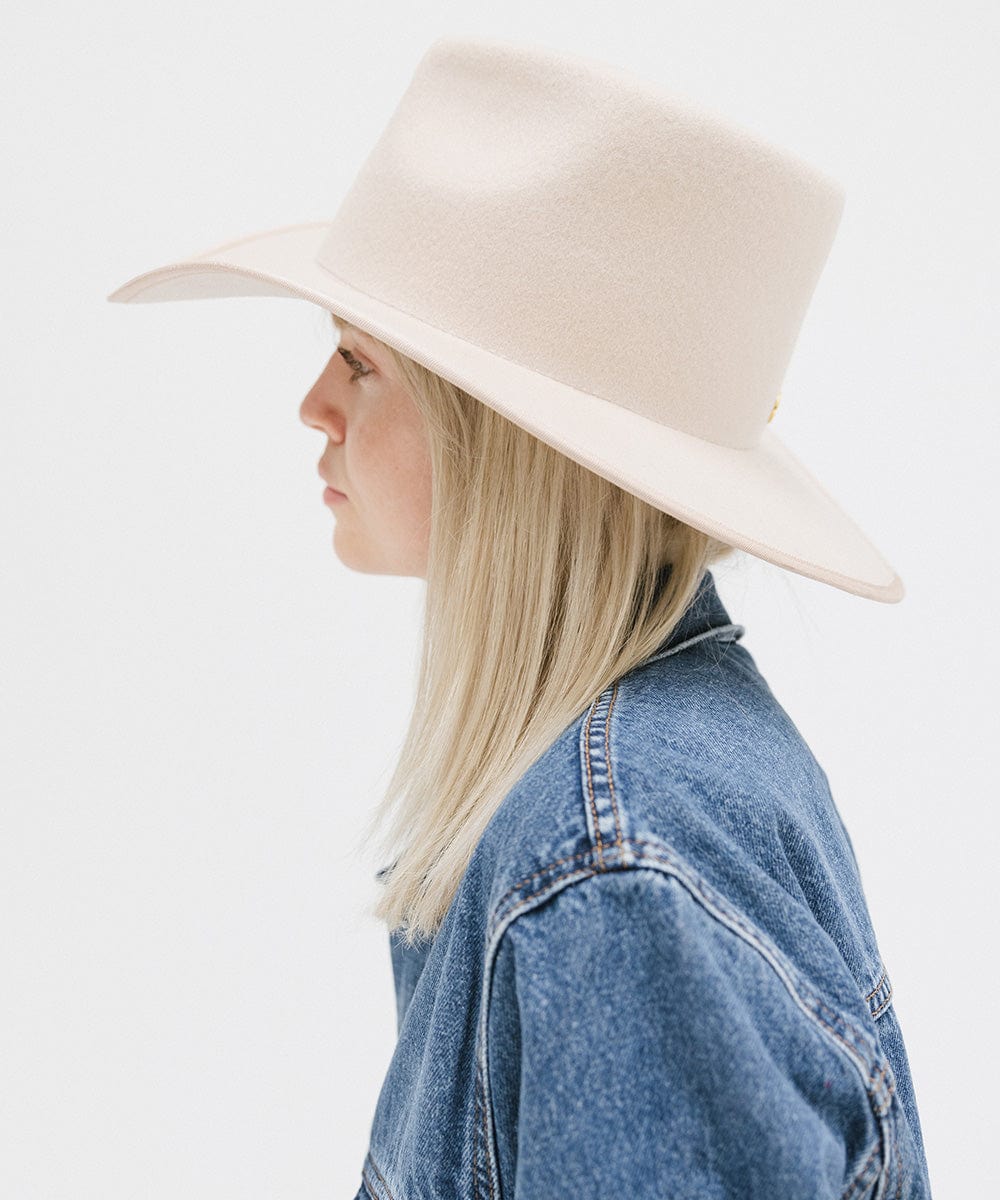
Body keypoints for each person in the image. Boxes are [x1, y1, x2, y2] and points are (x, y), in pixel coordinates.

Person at [107, 33, 933, 1199]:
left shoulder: (615, 867)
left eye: (358, 362)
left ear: (500, 439)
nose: (312, 405)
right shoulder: (634, 785)